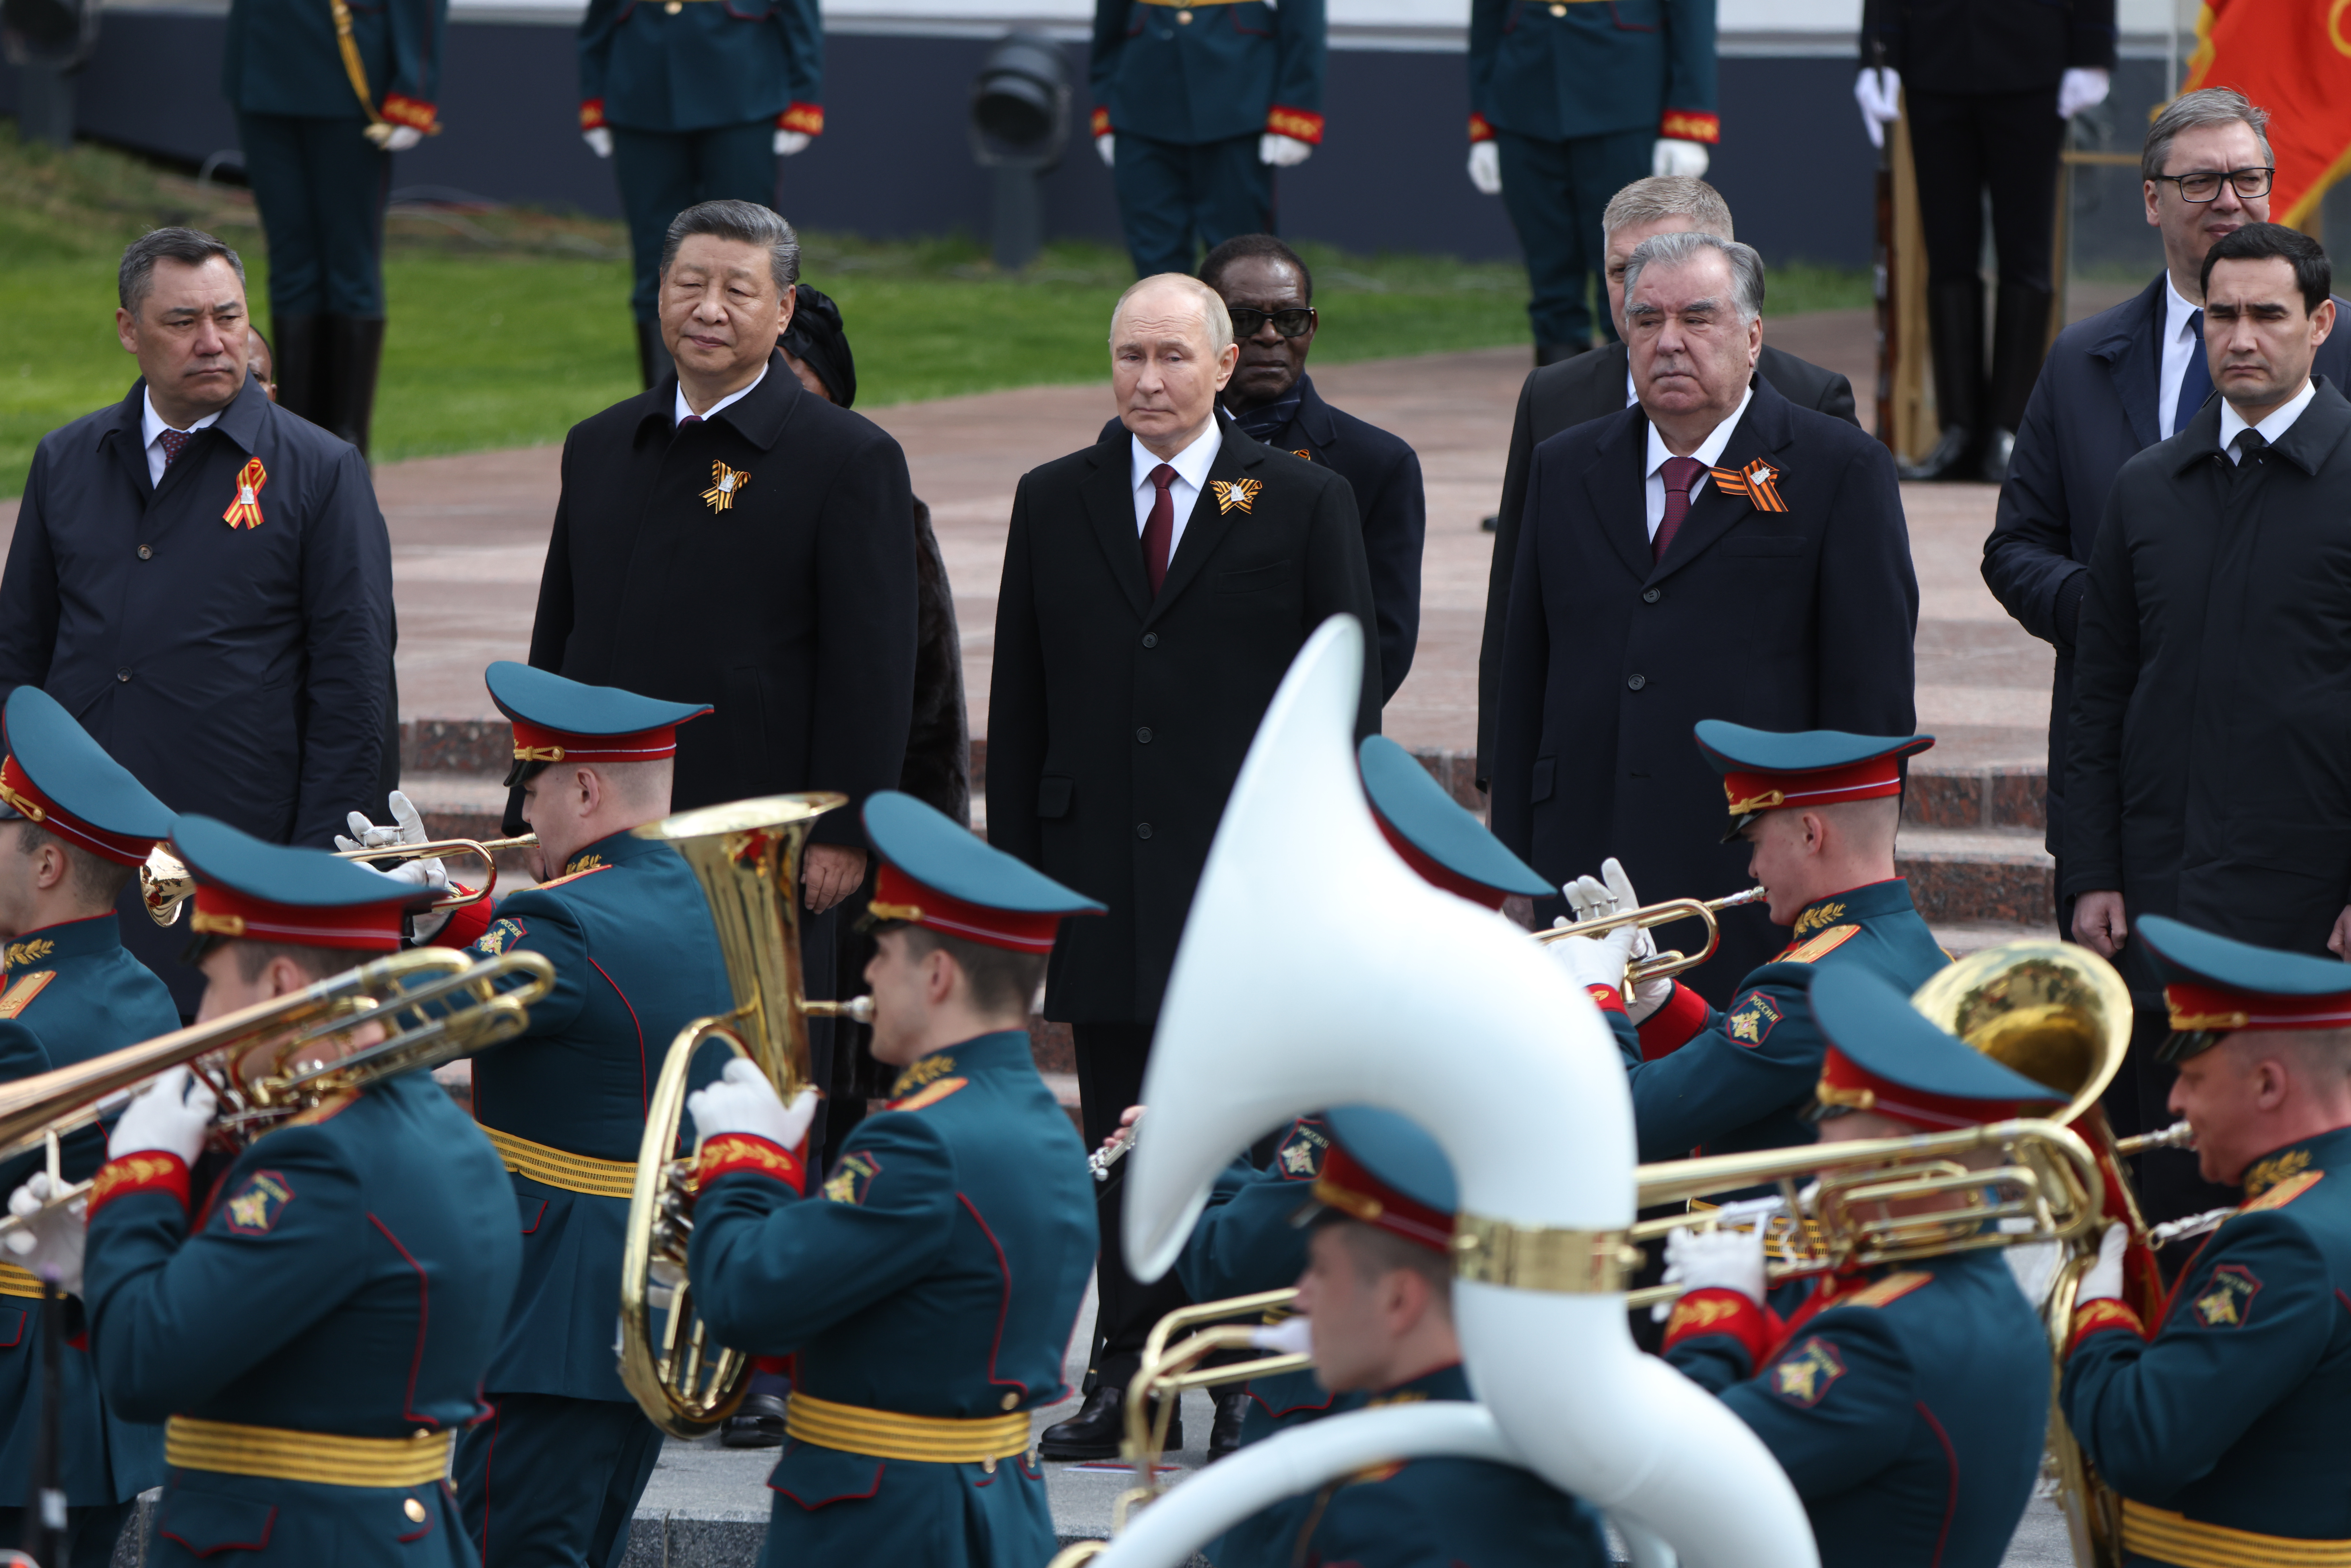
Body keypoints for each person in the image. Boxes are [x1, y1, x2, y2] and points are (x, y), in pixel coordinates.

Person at [987, 271, 1380, 1458]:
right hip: (1101, 871)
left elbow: (1344, 706)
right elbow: (1021, 707)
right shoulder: (1054, 498)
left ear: (1221, 366)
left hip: (1248, 886)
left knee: (1252, 1139)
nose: (1148, 380)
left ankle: (1245, 1376)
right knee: (1124, 1135)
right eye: (1129, 356)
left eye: (1171, 357)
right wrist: (1020, 890)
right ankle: (1127, 1368)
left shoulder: (1302, 500)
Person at [2, 814, 520, 1568]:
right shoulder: (431, 1127)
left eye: (215, 988)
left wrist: (142, 1174)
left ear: (281, 984)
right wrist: (100, 1269)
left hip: (294, 1540)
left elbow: (145, 1371)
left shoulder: (321, 1160)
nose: (206, 1022)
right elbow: (258, 1329)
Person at [524, 199, 917, 1171]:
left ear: (782, 311)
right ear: (658, 294)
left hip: (754, 843)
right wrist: (534, 784)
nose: (708, 309)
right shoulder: (600, 444)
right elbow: (559, 634)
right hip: (606, 828)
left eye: (738, 290)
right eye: (689, 284)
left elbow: (875, 661)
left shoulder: (848, 458)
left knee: (747, 1095)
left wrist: (844, 826)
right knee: (613, 1077)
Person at [363, 663, 734, 1568]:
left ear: (586, 789)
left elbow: (386, 1039)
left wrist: (358, 923)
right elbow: (585, 979)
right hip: (653, 1294)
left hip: (552, 1309)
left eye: (531, 790)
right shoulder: (705, 894)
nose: (522, 817)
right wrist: (454, 923)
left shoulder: (558, 927)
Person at [1489, 231, 1919, 1000]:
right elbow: (1522, 675)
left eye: (1697, 318)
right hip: (1582, 859)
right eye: (1647, 320)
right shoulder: (1565, 465)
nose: (1669, 342)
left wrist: (1847, 876)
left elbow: (1871, 693)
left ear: (1753, 337)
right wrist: (1513, 865)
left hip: (1750, 868)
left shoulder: (1838, 468)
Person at [679, 789, 1100, 1568]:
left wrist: (746, 1159)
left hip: (887, 1526)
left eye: (882, 952)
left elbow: (746, 1302)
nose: (867, 972)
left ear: (936, 974)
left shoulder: (918, 1142)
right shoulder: (1040, 1123)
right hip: (992, 1509)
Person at [1982, 89, 2351, 934]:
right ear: (2151, 199)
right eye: (2200, 182)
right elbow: (2016, 547)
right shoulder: (2081, 359)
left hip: (2300, 820)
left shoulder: (2343, 342)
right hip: (2133, 800)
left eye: (2248, 178)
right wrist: (2124, 606)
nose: (2229, 199)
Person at [0, 228, 394, 1016]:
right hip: (77, 867)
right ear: (129, 330)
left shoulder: (321, 470)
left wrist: (315, 873)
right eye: (183, 322)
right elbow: (20, 657)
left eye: (228, 317)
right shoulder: (67, 460)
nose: (213, 341)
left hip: (235, 857)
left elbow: (355, 690)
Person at [2066, 222, 2351, 1231]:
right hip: (2164, 910)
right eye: (2220, 316)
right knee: (2171, 1199)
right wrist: (2092, 870)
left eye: (2267, 315)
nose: (2241, 337)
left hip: (2312, 922)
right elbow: (2098, 696)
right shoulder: (2146, 488)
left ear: (2319, 324)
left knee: (2305, 1212)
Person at [732, 280, 971, 1447]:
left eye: (800, 387)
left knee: (821, 1108)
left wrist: (884, 862)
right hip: (714, 849)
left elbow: (924, 712)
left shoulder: (878, 500)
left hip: (834, 869)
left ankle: (790, 1349)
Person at [1167, 734, 1550, 1460]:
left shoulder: (1370, 1080)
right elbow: (1300, 1207)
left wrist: (1185, 1154)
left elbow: (1231, 1263)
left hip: (1343, 1431)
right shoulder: (1498, 1036)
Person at [1658, 964, 2060, 1566]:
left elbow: (1683, 1473)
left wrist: (1713, 1311)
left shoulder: (1883, 1338)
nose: (1815, 1156)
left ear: (1890, 1155)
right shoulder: (1970, 1284)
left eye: (1828, 1128)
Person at [1476, 176, 1859, 794]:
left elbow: (1852, 632)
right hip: (1594, 775)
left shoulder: (1809, 401)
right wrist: (1500, 774)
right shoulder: (1553, 398)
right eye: (1620, 271)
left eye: (1666, 262)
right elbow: (1516, 610)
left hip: (1748, 780)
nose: (1639, 285)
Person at [2059, 915, 2351, 1561]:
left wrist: (2095, 1311)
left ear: (2267, 1084)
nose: (2174, 1103)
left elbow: (2141, 1443)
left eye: (2192, 1076)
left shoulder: (2284, 1241)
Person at [1212, 1106, 1611, 1568]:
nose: (1301, 1296)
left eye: (1320, 1270)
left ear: (1400, 1300)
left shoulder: (1388, 1514)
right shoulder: (1518, 1437)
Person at [1550, 723, 1949, 1163]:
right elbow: (1754, 1061)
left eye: (1756, 844)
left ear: (1811, 835)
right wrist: (1657, 1001)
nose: (1753, 869)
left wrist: (1596, 993)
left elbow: (1621, 1120)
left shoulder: (1808, 988)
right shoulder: (1923, 951)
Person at [0, 686, 179, 1567]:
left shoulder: (25, 1029)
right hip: (96, 1401)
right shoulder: (142, 991)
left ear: (45, 865)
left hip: (22, 1411)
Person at [1095, 236, 1426, 702]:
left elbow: (1381, 643)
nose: (1271, 336)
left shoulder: (1374, 464)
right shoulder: (1128, 439)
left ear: (1311, 328)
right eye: (1245, 320)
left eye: (1290, 319)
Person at [1855, 0, 2115, 480]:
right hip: (1936, 54)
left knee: (2026, 254)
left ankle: (2009, 428)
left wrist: (2093, 45)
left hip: (2032, 54)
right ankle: (1959, 428)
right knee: (1946, 252)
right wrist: (1879, 49)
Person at [223, 0, 441, 456]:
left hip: (349, 65)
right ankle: (295, 445)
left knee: (350, 266)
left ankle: (347, 449)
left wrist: (414, 84)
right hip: (263, 62)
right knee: (290, 264)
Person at [577, 0, 822, 387]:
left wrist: (803, 94)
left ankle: (754, 400)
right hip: (641, 84)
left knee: (750, 254)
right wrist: (594, 95)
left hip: (742, 83)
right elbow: (600, 17)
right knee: (657, 260)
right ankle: (664, 404)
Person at [1465, 0, 1717, 362]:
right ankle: (1560, 383)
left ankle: (1633, 383)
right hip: (1524, 90)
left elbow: (1692, 13)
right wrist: (1484, 124)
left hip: (1625, 91)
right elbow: (1488, 16)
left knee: (1630, 264)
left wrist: (1688, 117)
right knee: (1548, 269)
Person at [1088, 0, 1324, 279]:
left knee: (1242, 259)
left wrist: (1296, 107)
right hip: (1143, 92)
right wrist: (1107, 109)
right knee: (1155, 261)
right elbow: (1109, 21)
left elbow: (1303, 14)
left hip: (1240, 95)